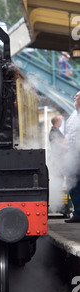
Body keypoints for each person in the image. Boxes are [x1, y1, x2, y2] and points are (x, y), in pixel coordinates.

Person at [65, 91, 80, 222]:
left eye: (77, 95)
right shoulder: (73, 114)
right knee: (72, 183)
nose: (75, 97)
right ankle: (78, 213)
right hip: (73, 154)